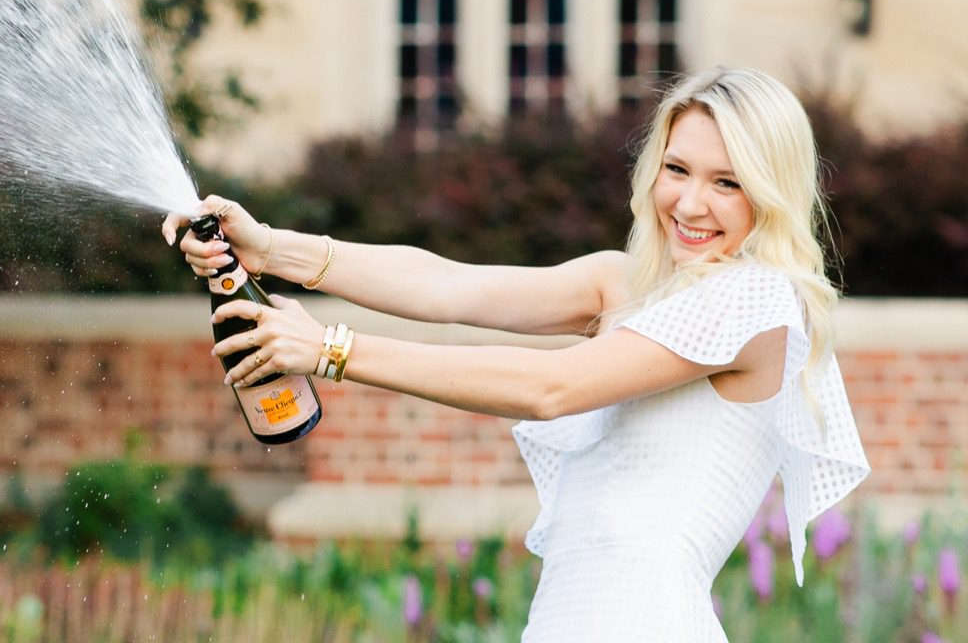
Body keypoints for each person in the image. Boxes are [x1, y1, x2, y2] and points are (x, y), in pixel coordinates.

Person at [163, 66, 870, 642]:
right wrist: (272, 249)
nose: (689, 203)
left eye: (727, 182)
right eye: (677, 168)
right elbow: (449, 287)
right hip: (570, 618)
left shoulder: (758, 302)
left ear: (770, 194)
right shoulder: (625, 287)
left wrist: (332, 348)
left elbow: (552, 388)